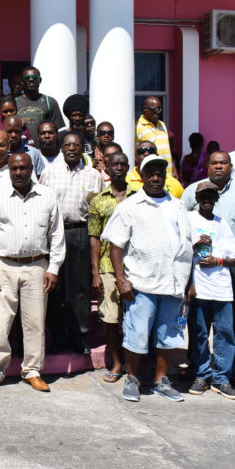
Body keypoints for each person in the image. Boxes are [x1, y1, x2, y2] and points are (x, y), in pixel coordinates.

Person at [102, 154, 194, 403]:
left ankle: (160, 381)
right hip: (142, 282)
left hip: (173, 283)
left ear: (165, 176)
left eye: (159, 174)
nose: (155, 178)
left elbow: (188, 245)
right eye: (150, 174)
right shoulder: (130, 206)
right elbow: (115, 245)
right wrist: (121, 280)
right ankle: (133, 379)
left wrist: (189, 282)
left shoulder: (177, 206)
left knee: (168, 335)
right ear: (141, 177)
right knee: (137, 334)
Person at [0, 152, 64, 392]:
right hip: (3, 265)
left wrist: (54, 267)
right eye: (13, 168)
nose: (18, 173)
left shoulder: (47, 195)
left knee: (35, 322)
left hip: (37, 266)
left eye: (23, 168)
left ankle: (32, 371)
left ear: (31, 169)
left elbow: (57, 234)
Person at [181, 151, 235, 385]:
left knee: (233, 317)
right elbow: (180, 224)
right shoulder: (193, 190)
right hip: (198, 264)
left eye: (223, 163)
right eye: (214, 163)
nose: (219, 166)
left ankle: (232, 367)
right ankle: (197, 366)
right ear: (207, 166)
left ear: (231, 166)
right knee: (198, 319)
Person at [40, 131, 103, 354]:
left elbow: (96, 210)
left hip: (81, 233)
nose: (72, 149)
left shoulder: (93, 175)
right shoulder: (49, 173)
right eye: (68, 145)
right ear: (62, 148)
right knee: (54, 288)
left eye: (76, 145)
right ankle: (58, 337)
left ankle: (79, 337)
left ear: (82, 148)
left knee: (80, 288)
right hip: (54, 234)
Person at [185, 182, 235, 400]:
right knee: (199, 333)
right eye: (203, 196)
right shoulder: (188, 219)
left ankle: (221, 379)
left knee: (225, 333)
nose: (207, 200)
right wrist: (195, 245)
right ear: (197, 199)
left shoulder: (222, 224)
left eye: (211, 196)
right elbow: (179, 251)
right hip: (198, 287)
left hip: (221, 289)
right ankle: (201, 374)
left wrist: (217, 261)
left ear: (216, 199)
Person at [88, 150, 137, 382]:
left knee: (136, 317)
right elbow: (94, 237)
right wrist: (95, 272)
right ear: (106, 168)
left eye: (123, 164)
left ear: (128, 168)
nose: (118, 168)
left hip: (136, 264)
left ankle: (135, 363)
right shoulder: (98, 200)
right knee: (110, 318)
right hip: (108, 265)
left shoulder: (139, 197)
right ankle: (116, 363)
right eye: (114, 164)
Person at [13, 66, 66, 132]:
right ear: (22, 82)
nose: (31, 80)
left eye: (35, 77)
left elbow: (58, 129)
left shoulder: (50, 102)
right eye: (27, 78)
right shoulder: (14, 102)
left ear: (40, 80)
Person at [134, 96, 174, 175]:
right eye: (155, 109)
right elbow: (136, 154)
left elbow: (167, 149)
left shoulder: (162, 124)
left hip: (168, 173)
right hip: (152, 174)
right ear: (145, 109)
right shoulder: (138, 126)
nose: (158, 112)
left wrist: (174, 169)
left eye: (159, 109)